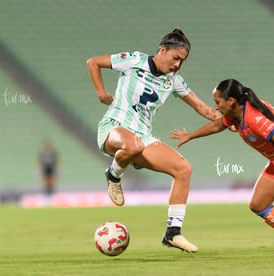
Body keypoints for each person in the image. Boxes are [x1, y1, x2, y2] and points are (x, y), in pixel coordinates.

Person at [86, 28, 222, 253]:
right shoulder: (134, 60)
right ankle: (113, 175)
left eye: (182, 61)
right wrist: (101, 93)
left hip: (142, 137)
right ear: (162, 50)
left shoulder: (173, 81)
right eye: (175, 58)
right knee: (133, 145)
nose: (178, 64)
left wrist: (230, 120)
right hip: (114, 127)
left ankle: (173, 233)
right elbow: (93, 62)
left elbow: (201, 107)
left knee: (183, 169)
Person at [170, 79, 274, 258]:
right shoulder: (236, 115)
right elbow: (218, 125)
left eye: (218, 102)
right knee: (258, 204)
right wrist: (190, 136)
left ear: (231, 101)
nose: (216, 106)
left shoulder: (254, 117)